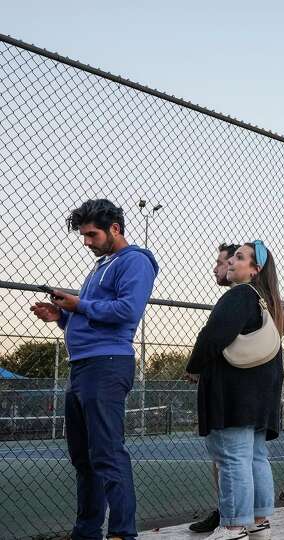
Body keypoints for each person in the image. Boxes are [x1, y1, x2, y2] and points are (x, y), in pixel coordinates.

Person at [30, 199, 158, 540]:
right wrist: (62, 316)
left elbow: (127, 311)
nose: (86, 242)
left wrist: (78, 303)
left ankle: (122, 533)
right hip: (82, 367)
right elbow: (92, 315)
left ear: (115, 228)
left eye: (92, 234)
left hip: (107, 365)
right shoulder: (101, 265)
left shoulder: (135, 261)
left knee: (107, 452)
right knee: (83, 459)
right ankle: (86, 532)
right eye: (84, 235)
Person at [190, 243, 284, 534]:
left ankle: (233, 526)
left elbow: (212, 337)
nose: (231, 263)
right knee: (256, 456)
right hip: (263, 391)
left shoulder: (240, 294)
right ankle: (260, 523)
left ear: (254, 269)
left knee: (232, 458)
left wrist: (193, 366)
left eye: (239, 257)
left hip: (235, 391)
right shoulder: (268, 300)